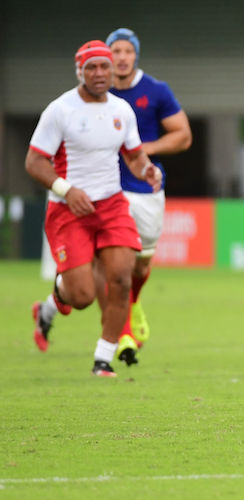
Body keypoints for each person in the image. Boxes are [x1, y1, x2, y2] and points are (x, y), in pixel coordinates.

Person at [28, 40, 162, 377]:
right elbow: (34, 161)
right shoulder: (60, 110)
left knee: (120, 277)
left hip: (112, 205)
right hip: (68, 209)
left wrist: (146, 169)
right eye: (92, 67)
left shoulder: (121, 110)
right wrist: (65, 189)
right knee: (83, 295)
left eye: (105, 66)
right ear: (80, 71)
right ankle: (51, 304)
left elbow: (133, 154)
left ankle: (103, 359)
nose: (100, 73)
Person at [103, 27, 192, 363]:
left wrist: (141, 149)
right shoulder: (97, 93)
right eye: (116, 51)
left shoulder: (155, 91)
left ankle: (133, 303)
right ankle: (122, 334)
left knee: (140, 266)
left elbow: (183, 136)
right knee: (117, 266)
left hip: (146, 187)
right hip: (107, 189)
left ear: (135, 54)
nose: (121, 57)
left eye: (127, 51)